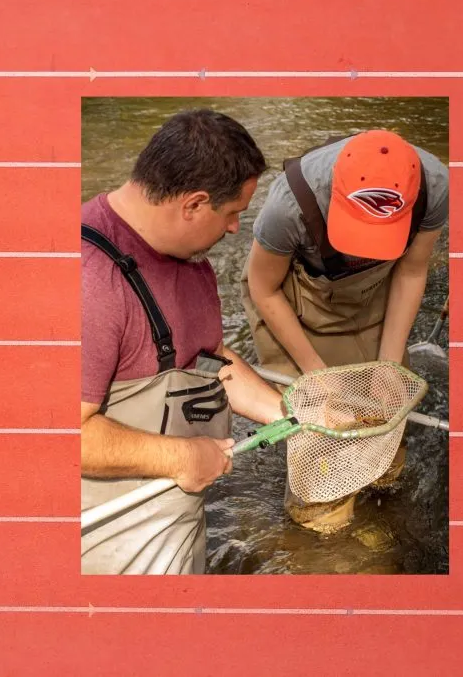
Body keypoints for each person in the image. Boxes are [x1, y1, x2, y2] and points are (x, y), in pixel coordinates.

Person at [81, 108, 285, 575]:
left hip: (174, 527)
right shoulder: (89, 283)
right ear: (193, 204)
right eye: (232, 213)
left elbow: (209, 363)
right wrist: (181, 455)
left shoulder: (192, 261)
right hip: (107, 544)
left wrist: (291, 412)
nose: (235, 228)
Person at [240, 129, 449, 533]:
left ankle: (382, 499)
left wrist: (388, 365)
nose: (364, 250)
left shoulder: (435, 186)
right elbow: (262, 289)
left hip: (376, 290)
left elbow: (411, 270)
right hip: (296, 298)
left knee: (383, 409)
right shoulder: (289, 205)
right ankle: (323, 532)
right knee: (324, 428)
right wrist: (319, 377)